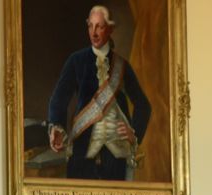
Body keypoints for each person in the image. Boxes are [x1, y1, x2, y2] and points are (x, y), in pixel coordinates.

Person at [47, 5, 151, 181]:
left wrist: (135, 133)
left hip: (116, 153)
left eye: (100, 27)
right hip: (83, 148)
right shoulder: (76, 61)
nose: (94, 33)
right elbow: (58, 99)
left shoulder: (122, 66)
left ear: (110, 29)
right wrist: (56, 126)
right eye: (90, 26)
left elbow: (143, 105)